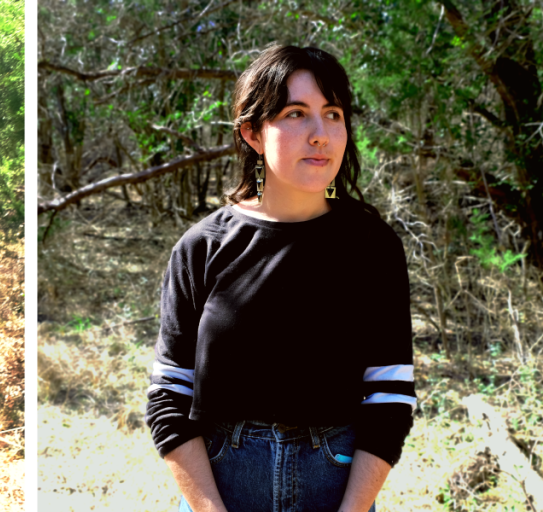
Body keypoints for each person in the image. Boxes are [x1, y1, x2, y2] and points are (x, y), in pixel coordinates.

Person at [144, 45, 416, 512]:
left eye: (333, 114)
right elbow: (169, 396)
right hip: (226, 482)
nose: (320, 134)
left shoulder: (372, 246)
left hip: (336, 483)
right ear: (252, 132)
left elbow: (391, 395)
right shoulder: (201, 247)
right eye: (296, 114)